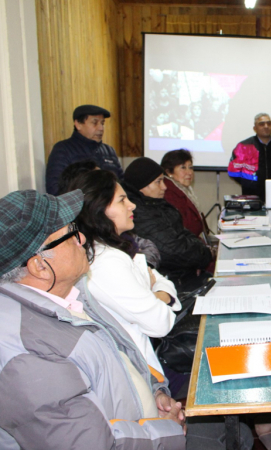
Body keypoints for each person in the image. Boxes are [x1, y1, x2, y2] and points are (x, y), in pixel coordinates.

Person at [0, 189, 186, 449]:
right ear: (39, 266)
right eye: (71, 234)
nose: (83, 238)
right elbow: (92, 444)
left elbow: (122, 354)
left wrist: (155, 390)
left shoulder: (75, 294)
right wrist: (165, 431)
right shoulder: (27, 352)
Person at [69, 170, 180, 375]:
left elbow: (162, 282)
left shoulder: (116, 247)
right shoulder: (105, 262)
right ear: (98, 209)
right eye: (122, 201)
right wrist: (158, 294)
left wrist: (155, 293)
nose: (132, 205)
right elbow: (161, 323)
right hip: (140, 373)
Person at [123, 157, 213, 292]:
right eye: (158, 182)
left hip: (184, 276)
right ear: (141, 186)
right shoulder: (139, 214)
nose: (164, 187)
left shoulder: (156, 204)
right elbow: (174, 250)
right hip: (174, 284)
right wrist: (206, 254)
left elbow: (185, 233)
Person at [46, 104, 124, 195]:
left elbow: (122, 183)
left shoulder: (109, 151)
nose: (101, 128)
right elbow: (54, 187)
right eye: (95, 123)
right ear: (78, 124)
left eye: (102, 123)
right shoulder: (63, 149)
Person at [228, 113, 271, 201]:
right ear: (255, 128)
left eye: (269, 123)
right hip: (251, 195)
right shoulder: (244, 146)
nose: (266, 126)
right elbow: (234, 170)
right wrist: (248, 183)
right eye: (262, 124)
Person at [161, 149, 205, 237]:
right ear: (169, 172)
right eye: (183, 167)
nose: (189, 172)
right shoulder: (169, 193)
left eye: (190, 167)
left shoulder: (182, 190)